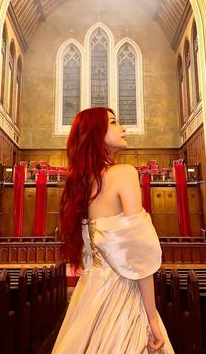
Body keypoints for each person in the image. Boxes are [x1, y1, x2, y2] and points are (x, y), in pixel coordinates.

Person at [52, 107, 174, 354]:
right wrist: (151, 319)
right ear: (96, 134)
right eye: (114, 122)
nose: (123, 128)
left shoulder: (81, 185)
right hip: (123, 293)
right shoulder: (124, 174)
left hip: (90, 296)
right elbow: (138, 254)